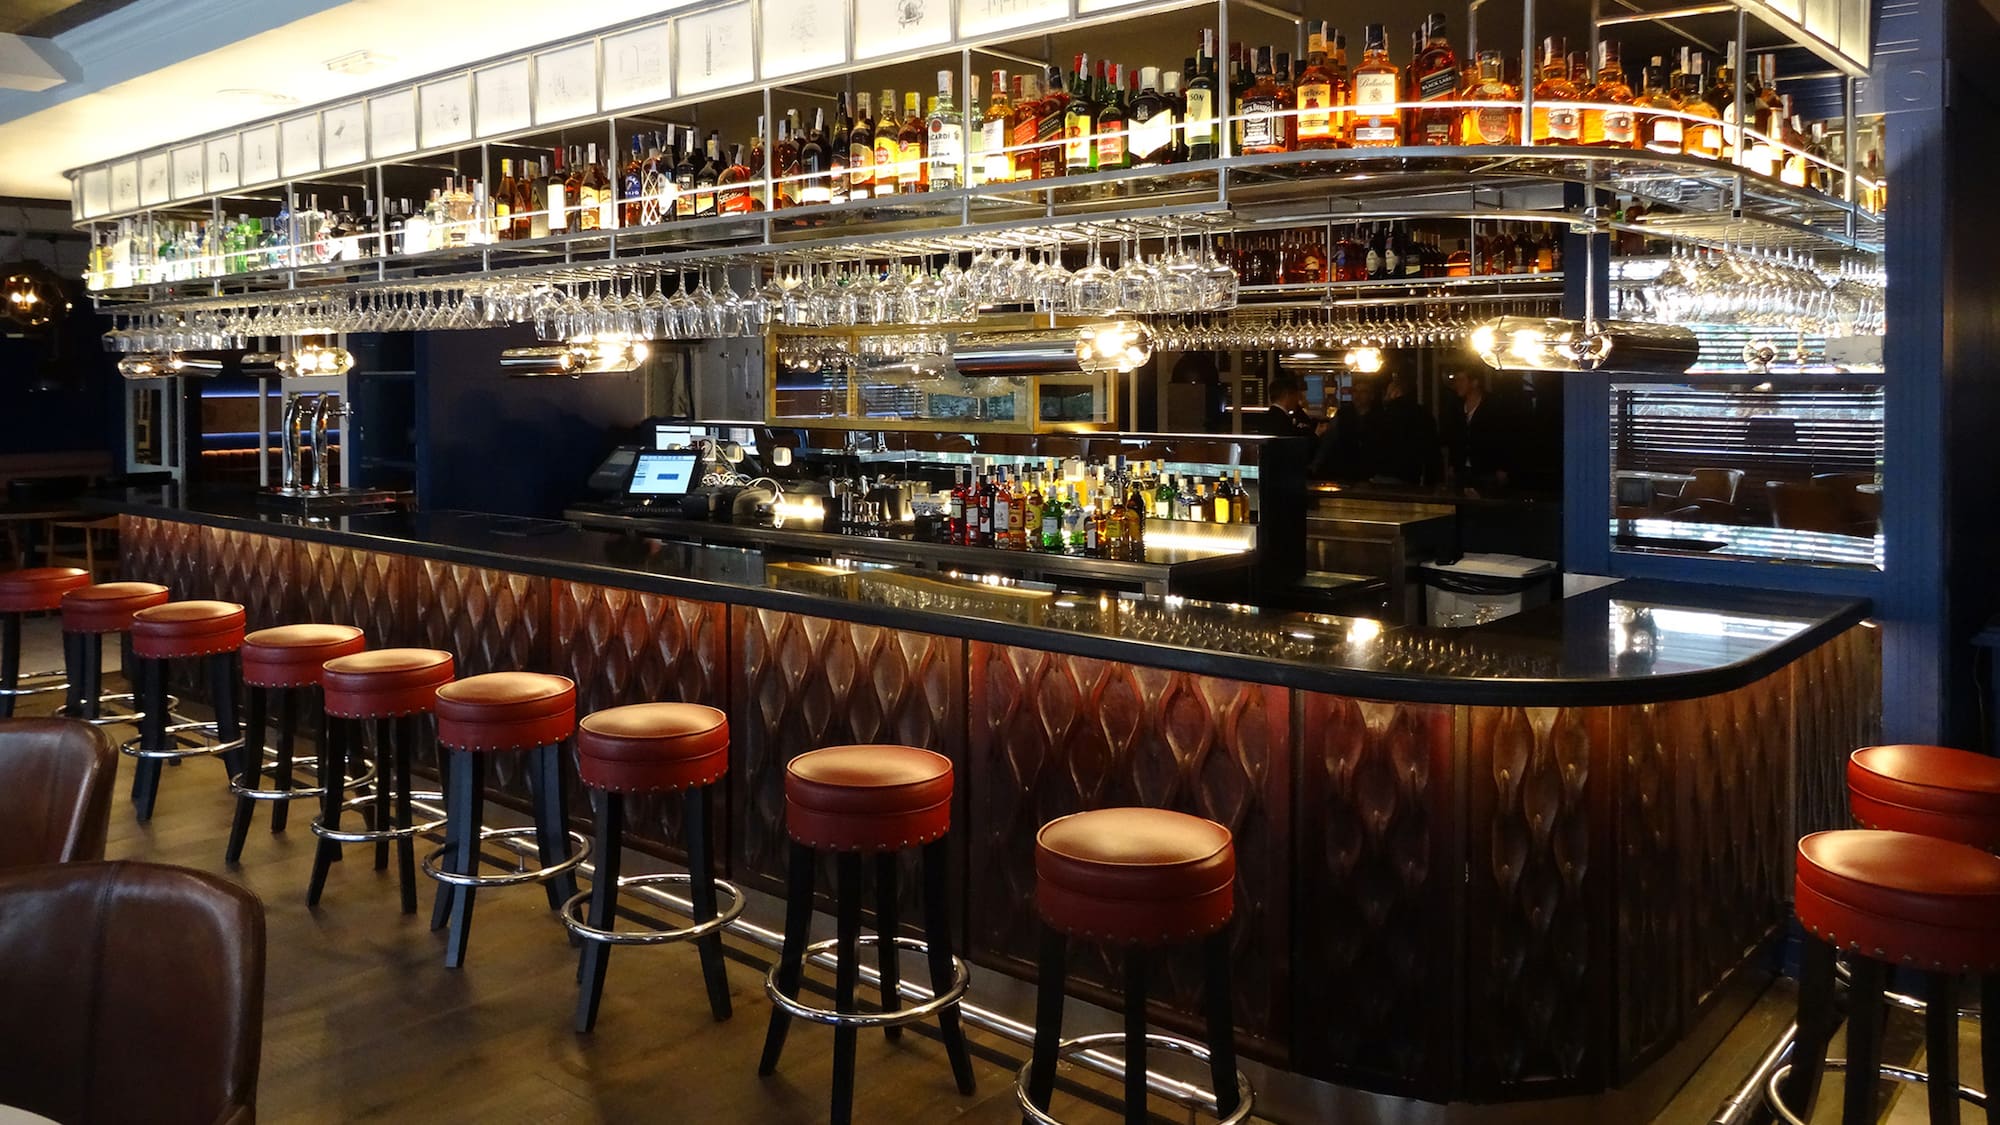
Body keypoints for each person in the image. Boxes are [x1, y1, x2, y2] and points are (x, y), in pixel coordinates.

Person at [1320, 372, 1438, 484]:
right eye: (1355, 391)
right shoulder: (1344, 415)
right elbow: (1330, 440)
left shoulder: (1382, 416)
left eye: (1363, 392)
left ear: (1372, 396)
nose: (1358, 395)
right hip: (1348, 471)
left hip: (1372, 472)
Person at [1439, 368, 1528, 493]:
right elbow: (1455, 438)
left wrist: (1503, 466)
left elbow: (1502, 437)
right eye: (1456, 380)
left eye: (1461, 380)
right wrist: (1453, 464)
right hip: (1463, 469)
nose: (1457, 384)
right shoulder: (1457, 407)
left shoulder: (1492, 407)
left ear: (1474, 382)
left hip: (1486, 469)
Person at [1257, 372, 1319, 438]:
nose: (1298, 399)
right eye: (1296, 395)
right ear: (1288, 395)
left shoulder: (1271, 417)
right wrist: (1316, 434)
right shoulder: (1281, 420)